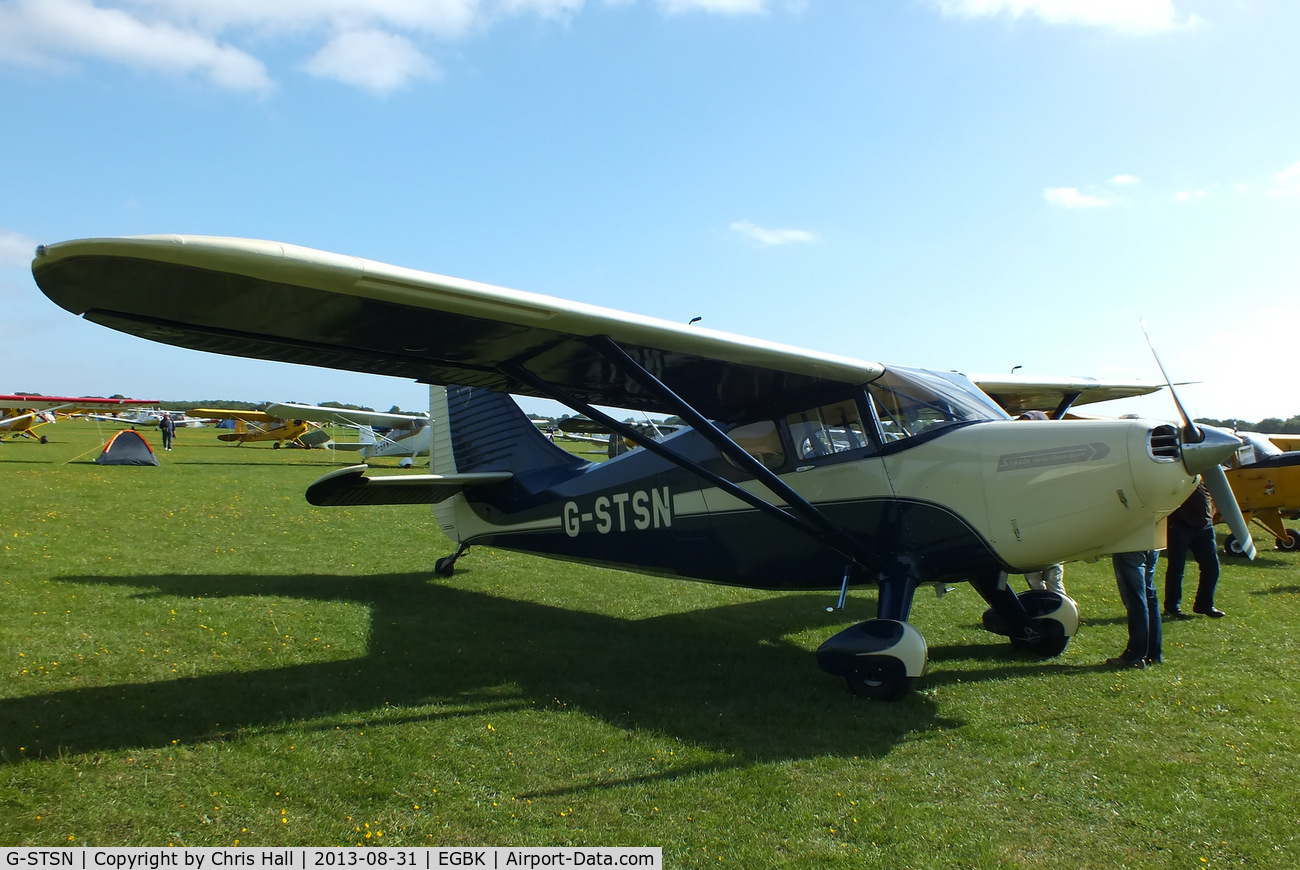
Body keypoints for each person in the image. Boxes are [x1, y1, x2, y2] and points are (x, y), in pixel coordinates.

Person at [1163, 479, 1224, 618]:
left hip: (1204, 525)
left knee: (1212, 566)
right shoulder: (1176, 471)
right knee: (1177, 568)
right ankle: (1172, 608)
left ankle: (1204, 605)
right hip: (1180, 525)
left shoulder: (1200, 474)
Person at [1108, 550, 1161, 668]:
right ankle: (1153, 653)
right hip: (1153, 541)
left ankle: (1135, 655)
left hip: (1131, 544)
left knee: (1136, 598)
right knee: (1149, 595)